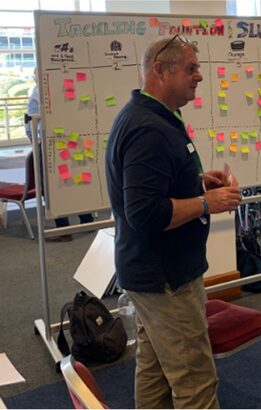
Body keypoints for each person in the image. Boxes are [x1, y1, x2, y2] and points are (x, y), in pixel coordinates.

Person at [105, 35, 241, 408]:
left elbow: (154, 189)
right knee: (195, 381)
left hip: (152, 273)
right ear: (160, 71)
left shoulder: (155, 116)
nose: (199, 77)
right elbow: (146, 213)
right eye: (190, 69)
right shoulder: (148, 128)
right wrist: (205, 202)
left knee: (154, 373)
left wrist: (196, 183)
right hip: (165, 279)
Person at [25, 78, 94, 242]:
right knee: (77, 180)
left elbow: (30, 121)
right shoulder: (71, 85)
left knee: (52, 187)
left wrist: (35, 141)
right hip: (74, 140)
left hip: (51, 144)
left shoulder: (39, 90)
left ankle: (63, 229)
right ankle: (87, 220)